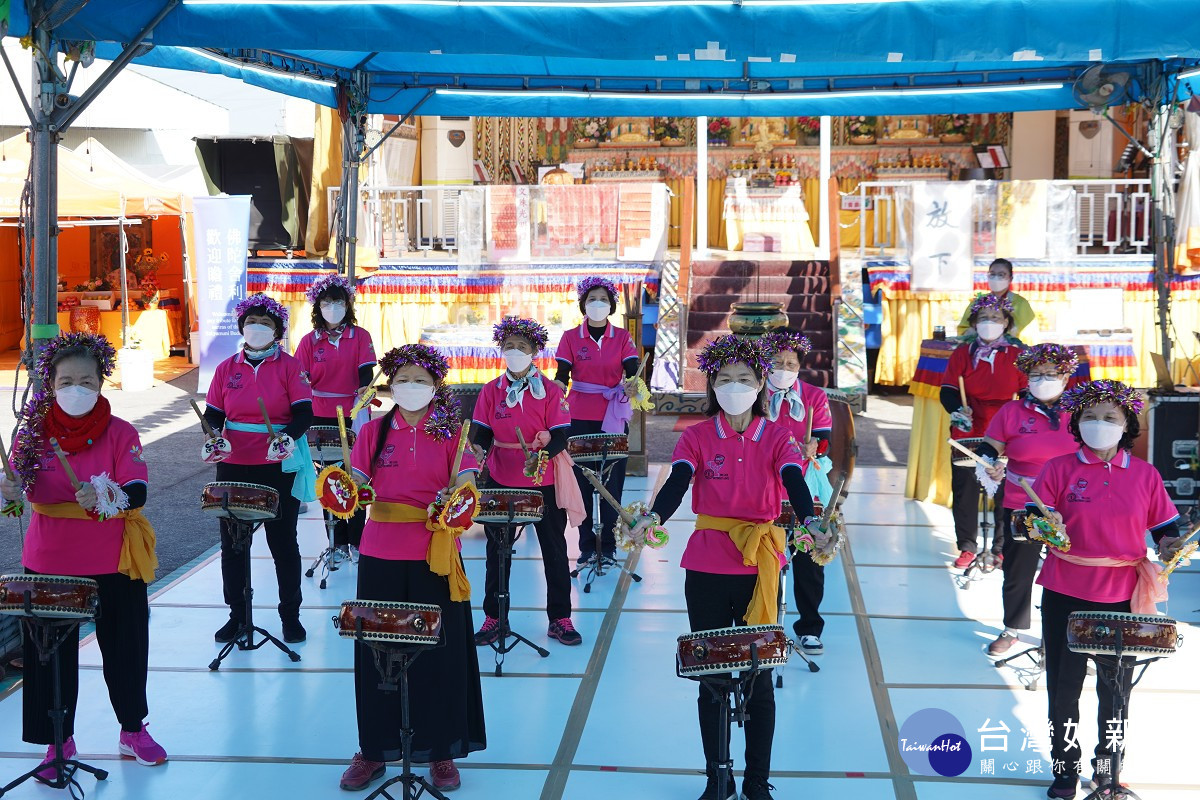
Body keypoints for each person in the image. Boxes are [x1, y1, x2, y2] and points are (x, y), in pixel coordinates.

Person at [635, 334, 814, 800]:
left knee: (759, 679)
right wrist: (654, 516)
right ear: (713, 385)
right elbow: (678, 480)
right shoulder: (696, 435)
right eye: (726, 379)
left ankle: (756, 782)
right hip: (707, 569)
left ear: (760, 386)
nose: (735, 386)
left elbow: (794, 478)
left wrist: (812, 521)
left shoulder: (777, 436)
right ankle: (718, 779)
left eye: (745, 378)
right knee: (710, 678)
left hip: (761, 568)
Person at [1, 333, 167, 777]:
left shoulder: (121, 432)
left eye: (87, 381)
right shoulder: (33, 433)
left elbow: (138, 490)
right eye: (67, 380)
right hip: (50, 556)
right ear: (50, 383)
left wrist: (103, 493)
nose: (77, 388)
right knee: (47, 654)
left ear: (100, 382)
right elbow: (16, 496)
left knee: (126, 645)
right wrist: (9, 491)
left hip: (113, 556)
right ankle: (56, 742)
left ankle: (133, 728)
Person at [1026, 380, 1187, 799]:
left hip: (1122, 596)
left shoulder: (1146, 475)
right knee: (1063, 687)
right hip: (1065, 589)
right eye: (1090, 417)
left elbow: (1166, 529)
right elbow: (1025, 523)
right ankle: (1064, 768)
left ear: (1127, 424)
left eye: (1110, 418)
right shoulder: (1058, 469)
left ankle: (1107, 768)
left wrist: (1172, 545)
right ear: (1076, 423)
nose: (1100, 424)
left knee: (1115, 688)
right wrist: (1044, 527)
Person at [338, 344, 486, 793]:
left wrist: (459, 496)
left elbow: (466, 479)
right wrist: (343, 487)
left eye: (420, 379)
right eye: (403, 378)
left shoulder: (452, 433)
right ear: (390, 382)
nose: (411, 387)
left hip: (433, 555)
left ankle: (440, 749)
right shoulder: (373, 432)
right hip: (380, 551)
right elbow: (357, 482)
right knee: (376, 649)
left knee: (439, 650)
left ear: (435, 385)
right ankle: (373, 748)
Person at [202, 293, 315, 644]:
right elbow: (213, 415)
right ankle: (237, 614)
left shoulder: (290, 366)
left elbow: (304, 413)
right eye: (252, 322)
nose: (257, 328)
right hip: (234, 466)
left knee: (283, 542)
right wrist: (213, 436)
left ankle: (291, 615)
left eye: (266, 324)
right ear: (241, 327)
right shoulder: (226, 369)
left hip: (277, 464)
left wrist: (286, 438)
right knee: (233, 545)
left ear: (277, 331)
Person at [471, 318, 586, 647]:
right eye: (509, 347)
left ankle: (560, 618)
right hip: (500, 477)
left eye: (522, 347)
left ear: (535, 351)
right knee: (497, 550)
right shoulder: (491, 391)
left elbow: (562, 436)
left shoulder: (551, 391)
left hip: (543, 479)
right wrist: (476, 450)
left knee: (554, 548)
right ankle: (495, 617)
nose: (515, 352)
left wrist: (543, 455)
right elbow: (482, 433)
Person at [976, 344, 1080, 656]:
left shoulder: (1080, 410)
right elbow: (989, 447)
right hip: (1022, 501)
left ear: (1065, 375)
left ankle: (1066, 632)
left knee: (1070, 568)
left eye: (1050, 373)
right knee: (1018, 570)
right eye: (1035, 374)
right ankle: (1013, 628)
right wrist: (990, 464)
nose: (1042, 379)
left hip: (1072, 502)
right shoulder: (1012, 411)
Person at [553, 276, 640, 565]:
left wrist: (632, 383)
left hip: (612, 416)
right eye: (592, 299)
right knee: (583, 481)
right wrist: (554, 393)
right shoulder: (570, 337)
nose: (598, 303)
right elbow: (562, 376)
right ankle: (587, 546)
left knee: (612, 483)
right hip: (578, 418)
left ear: (611, 305)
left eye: (603, 299)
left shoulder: (622, 337)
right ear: (583, 304)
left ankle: (611, 545)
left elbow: (633, 369)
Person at [941, 293, 1027, 569]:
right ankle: (967, 546)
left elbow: (1026, 392)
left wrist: (1022, 418)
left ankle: (1002, 548)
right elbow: (948, 391)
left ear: (1007, 323)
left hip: (1005, 429)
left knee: (1006, 491)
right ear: (974, 323)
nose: (989, 322)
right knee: (965, 490)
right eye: (984, 318)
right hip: (969, 428)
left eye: (996, 318)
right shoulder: (962, 353)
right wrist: (957, 410)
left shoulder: (1017, 354)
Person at [761, 329, 832, 657]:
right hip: (763, 483)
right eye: (777, 362)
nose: (783, 368)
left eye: (790, 363)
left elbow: (824, 438)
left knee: (808, 556)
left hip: (804, 483)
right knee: (763, 553)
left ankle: (809, 626)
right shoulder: (755, 391)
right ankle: (764, 623)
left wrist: (814, 445)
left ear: (800, 365)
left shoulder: (815, 396)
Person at [294, 274, 377, 553]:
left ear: (347, 304)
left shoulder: (360, 336)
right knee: (328, 478)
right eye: (327, 301)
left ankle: (356, 539)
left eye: (338, 301)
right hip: (320, 415)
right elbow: (299, 379)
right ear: (318, 306)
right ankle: (336, 541)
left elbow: (365, 372)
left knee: (354, 475)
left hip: (354, 413)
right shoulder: (308, 341)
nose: (333, 306)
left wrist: (365, 390)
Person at [956, 258, 1036, 339]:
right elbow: (963, 329)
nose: (996, 278)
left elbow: (1030, 335)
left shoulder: (1021, 304)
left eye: (1001, 274)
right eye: (992, 274)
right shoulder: (979, 302)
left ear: (1010, 278)